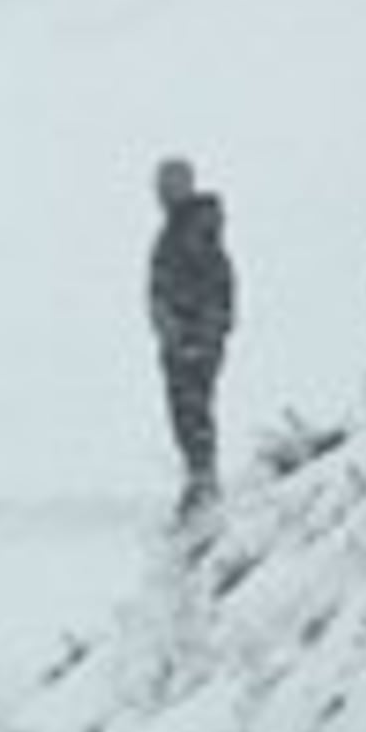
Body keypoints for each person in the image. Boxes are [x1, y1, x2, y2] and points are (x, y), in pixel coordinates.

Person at [148, 155, 236, 512]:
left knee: (192, 411)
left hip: (192, 344)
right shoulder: (179, 228)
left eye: (167, 184)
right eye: (159, 184)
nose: (159, 192)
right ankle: (198, 480)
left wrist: (199, 338)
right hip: (180, 342)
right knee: (186, 412)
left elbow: (219, 288)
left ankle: (203, 484)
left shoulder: (193, 231)